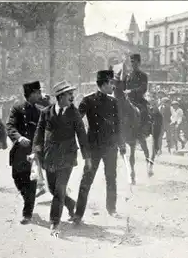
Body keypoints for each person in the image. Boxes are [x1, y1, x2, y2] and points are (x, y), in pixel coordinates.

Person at [32, 80, 90, 235]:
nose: (72, 97)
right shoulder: (46, 112)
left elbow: (82, 135)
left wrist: (87, 157)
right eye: (69, 94)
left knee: (59, 188)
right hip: (49, 156)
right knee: (52, 188)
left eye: (72, 94)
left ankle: (54, 221)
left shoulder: (74, 112)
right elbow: (38, 135)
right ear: (60, 96)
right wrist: (36, 153)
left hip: (67, 157)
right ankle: (71, 205)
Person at [73, 70, 125, 224]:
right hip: (93, 147)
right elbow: (76, 119)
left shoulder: (113, 102)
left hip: (110, 147)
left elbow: (118, 125)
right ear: (103, 84)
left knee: (111, 178)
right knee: (86, 179)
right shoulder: (87, 100)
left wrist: (121, 143)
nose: (113, 86)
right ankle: (78, 213)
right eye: (111, 83)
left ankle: (111, 208)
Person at [6, 81, 44, 224]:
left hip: (33, 154)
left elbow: (42, 133)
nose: (40, 95)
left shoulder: (39, 111)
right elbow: (10, 126)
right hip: (18, 153)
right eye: (37, 92)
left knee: (32, 182)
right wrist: (19, 137)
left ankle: (27, 213)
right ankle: (28, 200)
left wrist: (38, 147)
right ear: (31, 94)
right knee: (17, 178)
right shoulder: (17, 108)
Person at [124, 53, 151, 138]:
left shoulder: (143, 75)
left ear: (139, 63)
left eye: (135, 62)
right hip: (127, 99)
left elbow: (143, 88)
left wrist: (131, 91)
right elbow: (124, 86)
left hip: (138, 99)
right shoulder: (128, 75)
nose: (133, 64)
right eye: (131, 62)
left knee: (143, 111)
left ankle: (141, 133)